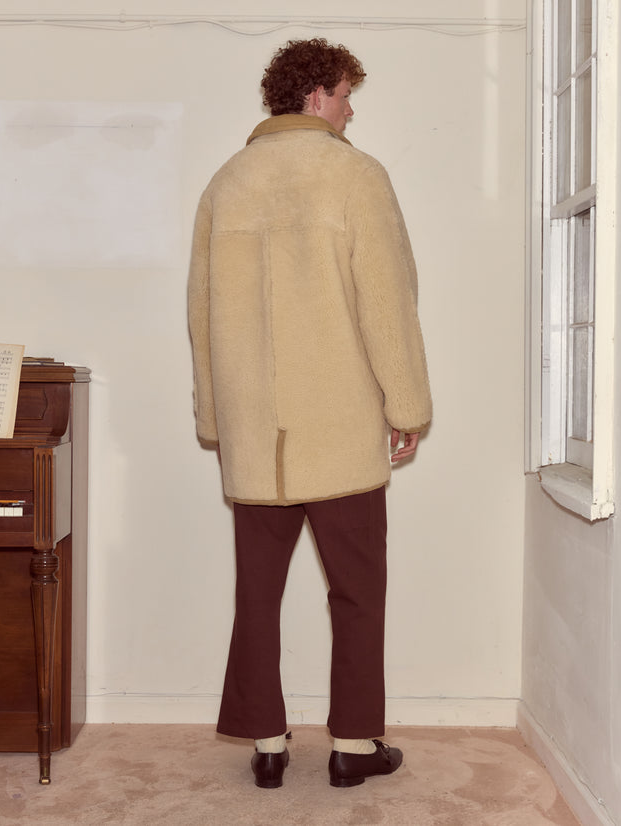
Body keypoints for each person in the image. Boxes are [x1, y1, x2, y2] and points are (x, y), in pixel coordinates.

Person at [188, 37, 431, 789]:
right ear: (318, 94)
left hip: (255, 432)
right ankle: (355, 748)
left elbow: (199, 316)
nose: (352, 110)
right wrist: (409, 405)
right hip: (339, 425)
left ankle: (266, 743)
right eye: (348, 95)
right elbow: (387, 302)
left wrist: (214, 419)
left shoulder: (225, 185)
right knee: (358, 590)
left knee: (256, 593)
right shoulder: (354, 176)